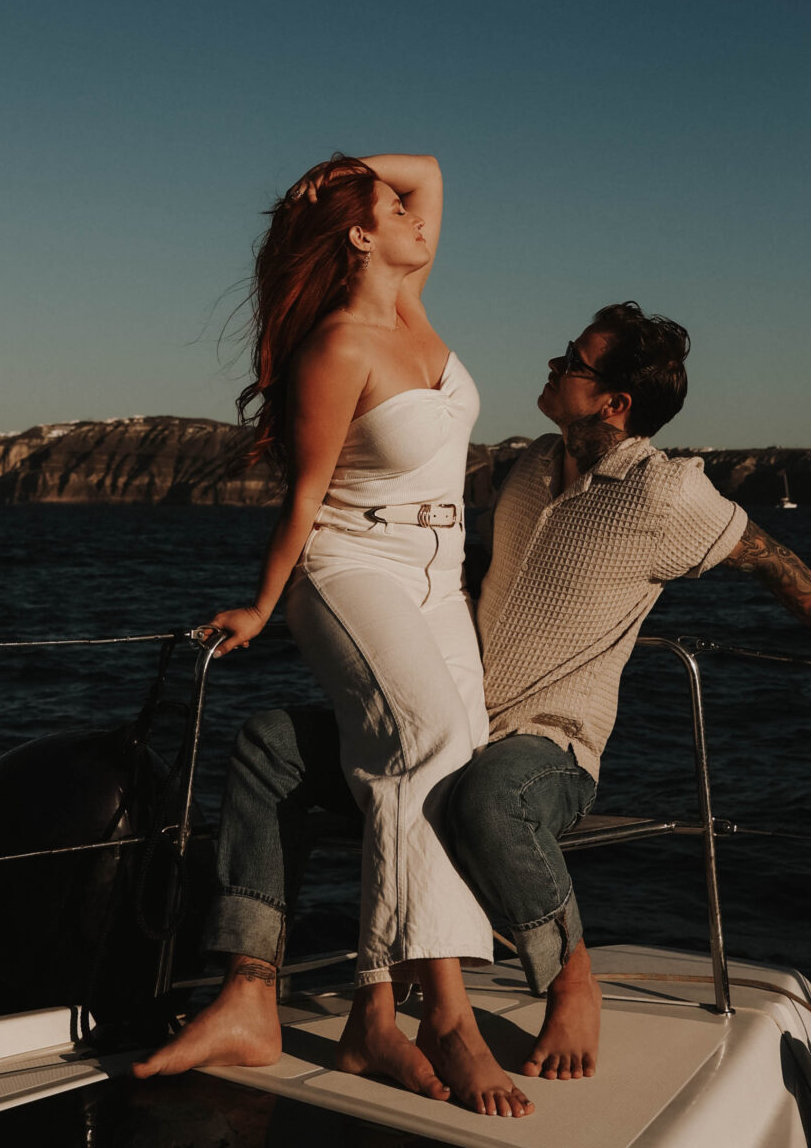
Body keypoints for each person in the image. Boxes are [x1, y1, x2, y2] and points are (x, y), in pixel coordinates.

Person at [136, 303, 811, 1090]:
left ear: (615, 403)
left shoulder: (667, 493)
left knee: (487, 795)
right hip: (453, 722)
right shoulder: (526, 468)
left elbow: (768, 558)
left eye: (573, 361)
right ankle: (248, 991)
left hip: (548, 749)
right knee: (269, 745)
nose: (552, 366)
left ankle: (569, 981)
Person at [133, 153, 533, 1118]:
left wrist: (345, 170)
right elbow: (304, 498)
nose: (417, 215)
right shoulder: (337, 347)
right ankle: (445, 1017)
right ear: (361, 235)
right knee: (429, 739)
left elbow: (433, 166)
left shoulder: (413, 300)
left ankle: (371, 1015)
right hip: (352, 567)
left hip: (443, 577)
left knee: (455, 758)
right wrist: (265, 607)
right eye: (393, 209)